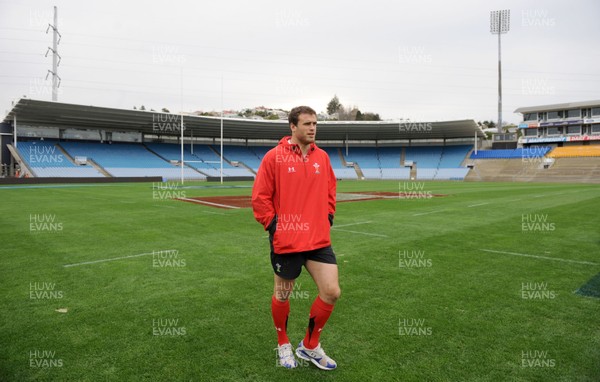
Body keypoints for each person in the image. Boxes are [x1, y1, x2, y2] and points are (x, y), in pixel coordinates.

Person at [252, 106, 340, 371]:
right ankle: (283, 343)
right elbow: (260, 197)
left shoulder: (322, 157)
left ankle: (310, 346)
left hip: (318, 238)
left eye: (315, 124)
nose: (312, 128)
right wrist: (274, 225)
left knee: (331, 292)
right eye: (307, 124)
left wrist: (328, 217)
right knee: (282, 293)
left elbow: (330, 189)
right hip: (287, 239)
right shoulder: (273, 157)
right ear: (292, 126)